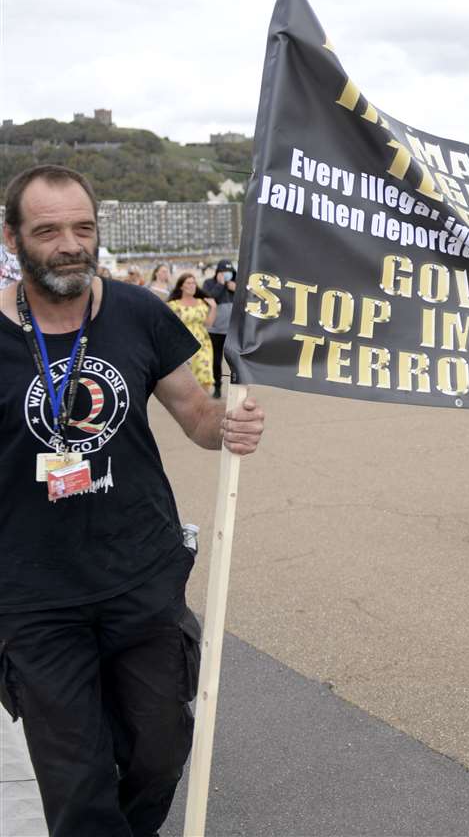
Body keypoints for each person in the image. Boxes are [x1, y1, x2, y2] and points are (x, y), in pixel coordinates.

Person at [0, 164, 265, 837]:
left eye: (83, 227)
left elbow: (198, 417)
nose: (70, 244)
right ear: (13, 238)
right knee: (78, 785)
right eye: (49, 230)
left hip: (142, 579)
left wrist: (227, 425)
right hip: (34, 601)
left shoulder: (138, 312)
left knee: (160, 752)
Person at [166, 272, 215, 391]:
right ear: (181, 286)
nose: (192, 285)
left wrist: (214, 307)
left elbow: (209, 323)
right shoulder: (173, 305)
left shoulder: (202, 303)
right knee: (186, 379)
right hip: (183, 343)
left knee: (204, 375)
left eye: (194, 283)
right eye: (189, 283)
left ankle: (204, 404)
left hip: (203, 343)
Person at [200, 259, 236, 398]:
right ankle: (217, 387)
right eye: (224, 272)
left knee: (235, 361)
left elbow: (247, 299)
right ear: (218, 272)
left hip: (232, 330)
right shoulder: (209, 283)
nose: (227, 274)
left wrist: (236, 289)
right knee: (216, 360)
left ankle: (235, 387)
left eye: (230, 272)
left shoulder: (235, 283)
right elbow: (208, 299)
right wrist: (220, 285)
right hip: (215, 330)